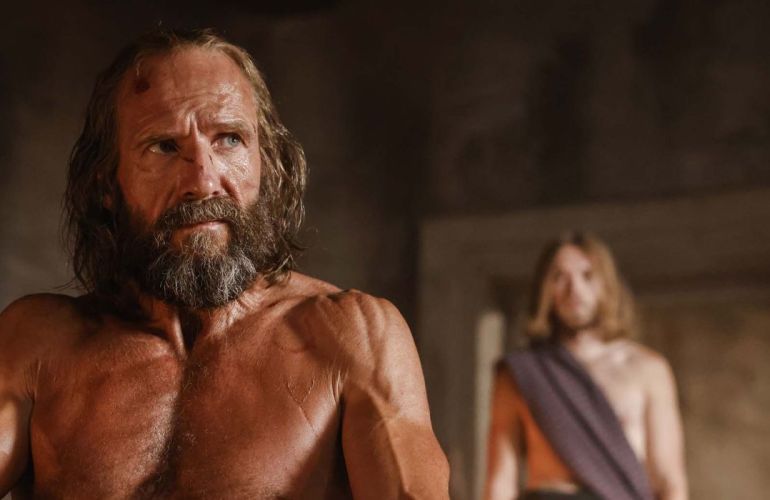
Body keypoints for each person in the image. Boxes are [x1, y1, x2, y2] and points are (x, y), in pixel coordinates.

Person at [0, 29, 449, 499]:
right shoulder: (37, 346)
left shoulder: (353, 338)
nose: (203, 181)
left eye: (229, 139)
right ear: (106, 184)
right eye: (164, 146)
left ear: (266, 163)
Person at [484, 232, 687, 500]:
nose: (574, 289)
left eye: (588, 276)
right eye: (559, 277)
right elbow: (501, 479)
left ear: (607, 284)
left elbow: (669, 480)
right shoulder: (523, 372)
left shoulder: (648, 369)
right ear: (545, 290)